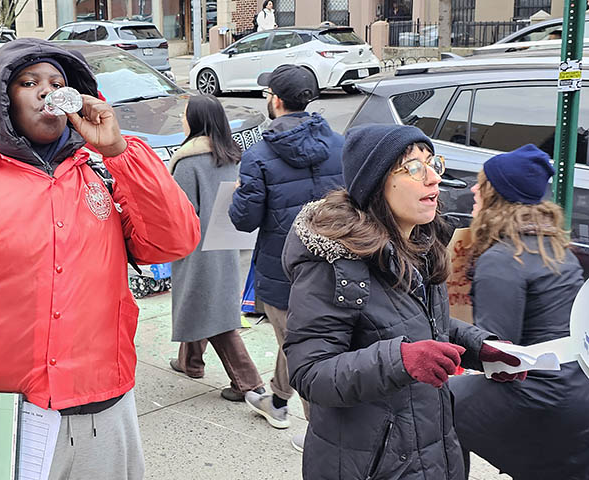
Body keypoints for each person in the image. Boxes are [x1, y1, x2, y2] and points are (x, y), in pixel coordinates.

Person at [0, 38, 199, 480]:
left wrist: (119, 151)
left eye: (57, 83)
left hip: (103, 412)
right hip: (2, 420)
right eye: (28, 82)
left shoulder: (101, 171)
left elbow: (174, 242)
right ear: (2, 99)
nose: (46, 91)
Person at [281, 124, 526, 480]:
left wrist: (479, 348)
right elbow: (310, 373)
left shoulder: (421, 244)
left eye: (433, 164)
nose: (434, 178)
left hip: (431, 448)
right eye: (413, 168)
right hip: (370, 464)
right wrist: (401, 360)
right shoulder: (335, 263)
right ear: (376, 183)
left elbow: (422, 325)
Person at [450, 144, 589, 479]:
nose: (473, 189)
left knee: (436, 403)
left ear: (496, 197)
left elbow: (496, 352)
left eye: (482, 184)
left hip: (540, 395)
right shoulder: (557, 249)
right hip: (578, 388)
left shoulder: (502, 259)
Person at [228, 64, 343, 450]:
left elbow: (244, 220)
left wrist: (238, 196)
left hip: (283, 270)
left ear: (276, 101)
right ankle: (277, 401)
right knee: (298, 340)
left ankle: (320, 435)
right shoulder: (341, 145)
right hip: (335, 262)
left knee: (300, 348)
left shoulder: (258, 156)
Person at [167, 94, 269, 402]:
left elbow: (181, 213)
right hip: (228, 239)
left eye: (185, 114)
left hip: (197, 244)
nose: (182, 119)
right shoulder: (232, 155)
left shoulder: (188, 161)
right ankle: (190, 361)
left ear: (195, 120)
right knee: (206, 300)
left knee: (211, 310)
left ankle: (248, 383)